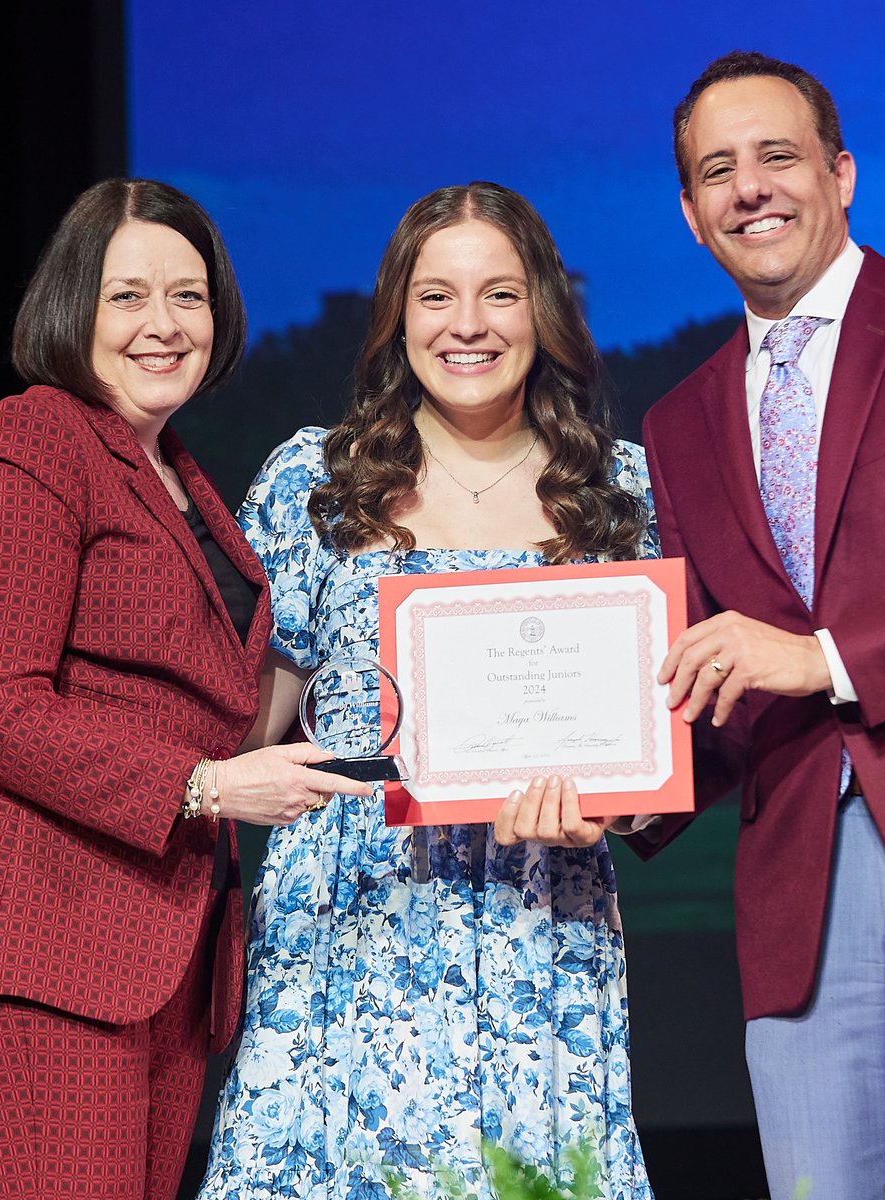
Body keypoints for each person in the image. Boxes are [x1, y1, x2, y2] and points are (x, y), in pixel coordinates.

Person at [0, 177, 369, 1200]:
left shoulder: (175, 473)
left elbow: (216, 695)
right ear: (71, 309)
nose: (163, 324)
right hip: (35, 933)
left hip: (154, 946)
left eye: (189, 297)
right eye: (128, 296)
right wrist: (212, 788)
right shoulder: (30, 440)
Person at [632, 49, 885, 1200]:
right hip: (798, 900)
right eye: (719, 170)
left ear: (842, 173)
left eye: (778, 156)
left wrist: (824, 659)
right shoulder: (677, 420)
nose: (750, 187)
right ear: (691, 217)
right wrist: (630, 787)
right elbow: (725, 681)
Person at [195, 181, 657, 1200]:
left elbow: (643, 755)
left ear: (545, 307)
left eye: (500, 293)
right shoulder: (312, 483)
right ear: (397, 315)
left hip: (540, 912)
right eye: (437, 296)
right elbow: (249, 727)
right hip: (350, 916)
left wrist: (610, 807)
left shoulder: (619, 492)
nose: (469, 325)